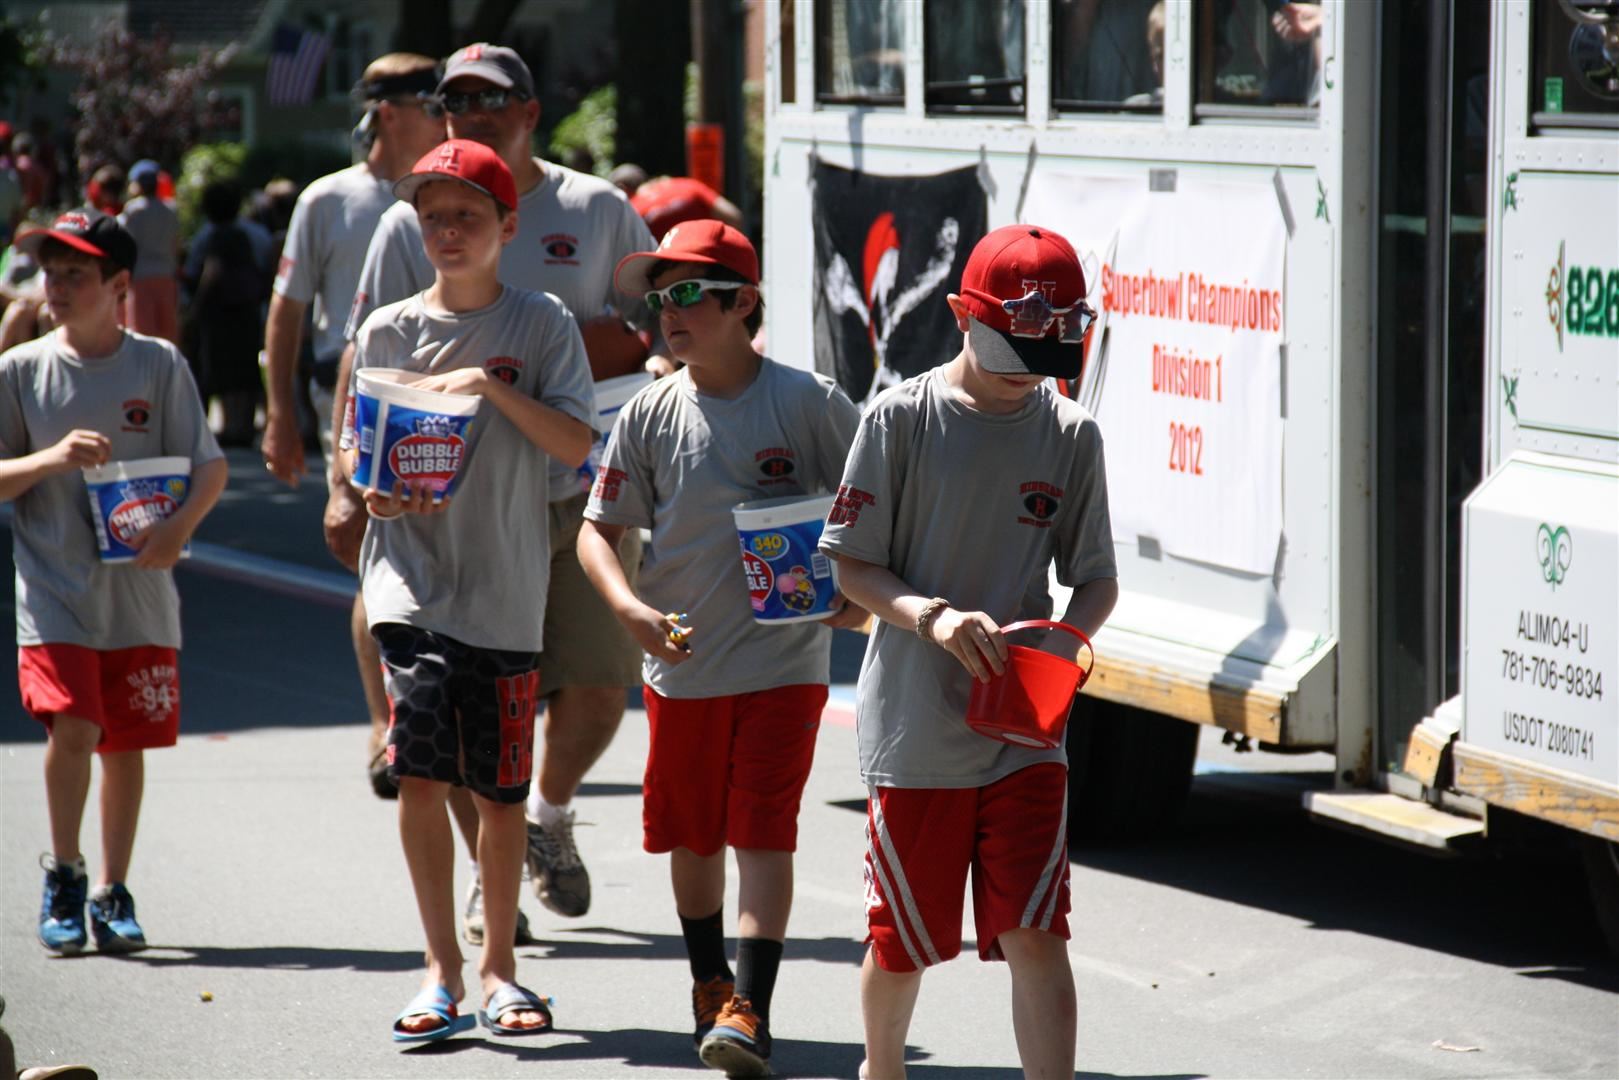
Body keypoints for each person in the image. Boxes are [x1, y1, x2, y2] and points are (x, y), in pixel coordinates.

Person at [341, 42, 660, 941]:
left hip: (582, 488)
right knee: (446, 724)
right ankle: (487, 901)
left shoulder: (597, 209)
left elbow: (653, 329)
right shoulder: (409, 216)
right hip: (449, 503)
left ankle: (547, 818)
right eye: (454, 99)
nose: (470, 112)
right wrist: (351, 476)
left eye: (490, 98)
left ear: (530, 110)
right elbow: (366, 356)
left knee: (597, 686)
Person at [818, 224, 1119, 1079]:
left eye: (1044, 355)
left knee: (1036, 929)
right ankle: (882, 1068)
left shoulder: (1069, 434)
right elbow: (851, 563)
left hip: (1024, 732)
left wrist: (1064, 645)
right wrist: (930, 618)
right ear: (960, 315)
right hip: (914, 732)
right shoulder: (900, 417)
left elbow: (1095, 579)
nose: (1026, 371)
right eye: (1010, 349)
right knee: (904, 942)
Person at [577, 220, 864, 1076]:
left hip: (785, 669)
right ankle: (709, 982)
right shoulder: (652, 412)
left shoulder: (808, 402)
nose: (668, 311)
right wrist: (628, 608)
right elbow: (598, 532)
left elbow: (876, 512)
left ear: (743, 303)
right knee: (694, 839)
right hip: (682, 667)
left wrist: (852, 597)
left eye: (689, 293)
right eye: (658, 297)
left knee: (764, 835)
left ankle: (750, 1009)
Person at [339, 139, 594, 1042]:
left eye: (466, 216)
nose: (446, 231)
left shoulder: (541, 324)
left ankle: (499, 973)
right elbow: (359, 456)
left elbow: (576, 447)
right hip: (410, 581)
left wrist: (488, 387)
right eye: (432, 215)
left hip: (508, 586)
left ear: (507, 226)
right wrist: (370, 488)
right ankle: (439, 971)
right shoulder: (385, 331)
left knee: (497, 795)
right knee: (419, 773)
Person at [0, 209, 228, 957]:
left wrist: (176, 529)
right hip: (54, 586)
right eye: (50, 273)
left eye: (76, 275)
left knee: (122, 740)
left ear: (120, 285)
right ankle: (65, 874)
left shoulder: (158, 365)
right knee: (75, 725)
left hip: (138, 592)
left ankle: (112, 888)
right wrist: (51, 459)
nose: (56, 288)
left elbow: (208, 465)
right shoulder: (21, 368)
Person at [260, 53, 445, 808]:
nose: (449, 116)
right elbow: (287, 311)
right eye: (436, 104)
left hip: (443, 399)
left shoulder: (452, 192)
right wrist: (281, 415)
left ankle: (434, 710)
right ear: (394, 112)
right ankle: (385, 724)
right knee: (381, 560)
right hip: (356, 391)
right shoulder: (329, 200)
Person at [184, 181, 267, 446]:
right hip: (247, 309)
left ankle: (233, 427)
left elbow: (211, 271)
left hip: (220, 313)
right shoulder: (249, 234)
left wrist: (195, 308)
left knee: (224, 370)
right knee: (245, 369)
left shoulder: (212, 236)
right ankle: (244, 424)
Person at [119, 160, 181, 344]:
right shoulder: (170, 209)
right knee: (167, 331)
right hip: (166, 274)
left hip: (141, 276)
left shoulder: (133, 210)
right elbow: (175, 243)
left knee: (142, 333)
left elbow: (125, 241)